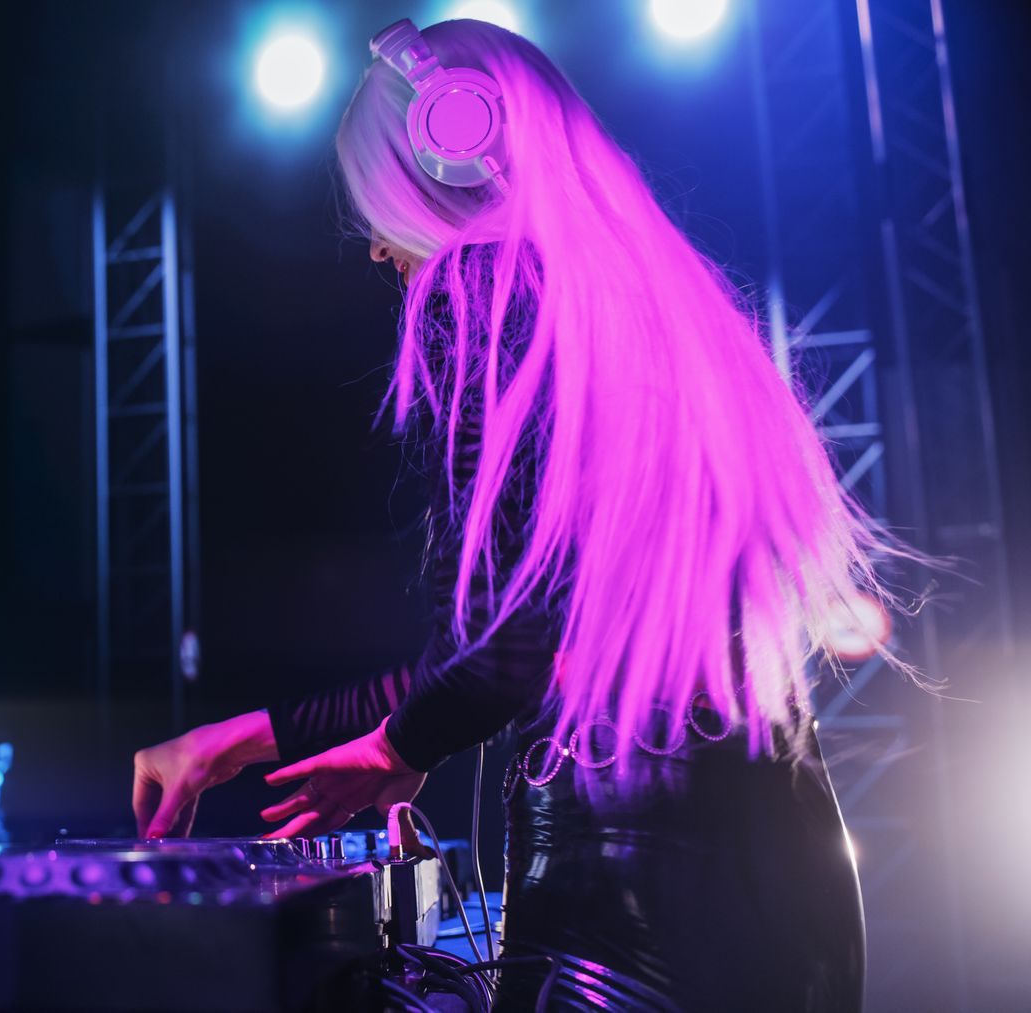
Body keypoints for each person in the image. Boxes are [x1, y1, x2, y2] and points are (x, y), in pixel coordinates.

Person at [130, 17, 892, 1011]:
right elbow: (524, 644)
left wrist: (401, 746)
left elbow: (509, 649)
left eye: (379, 206)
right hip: (794, 878)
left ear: (451, 149)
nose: (377, 247)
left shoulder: (478, 283)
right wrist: (254, 738)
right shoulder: (658, 307)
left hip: (634, 895)